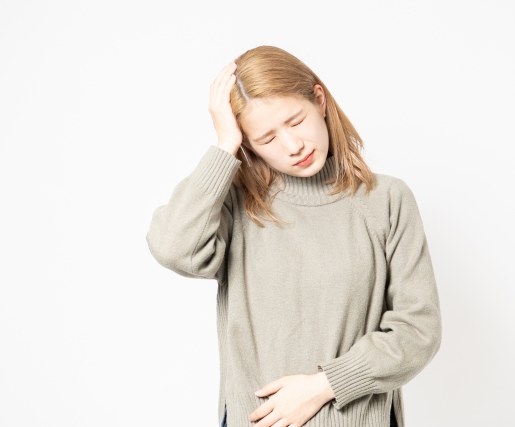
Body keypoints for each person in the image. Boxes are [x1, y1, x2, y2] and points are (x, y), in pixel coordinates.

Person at [146, 45, 442, 427]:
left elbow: (418, 330)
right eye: (266, 139)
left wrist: (325, 385)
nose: (292, 146)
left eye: (296, 121)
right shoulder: (236, 202)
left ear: (319, 100)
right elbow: (173, 248)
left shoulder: (386, 199)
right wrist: (224, 147)